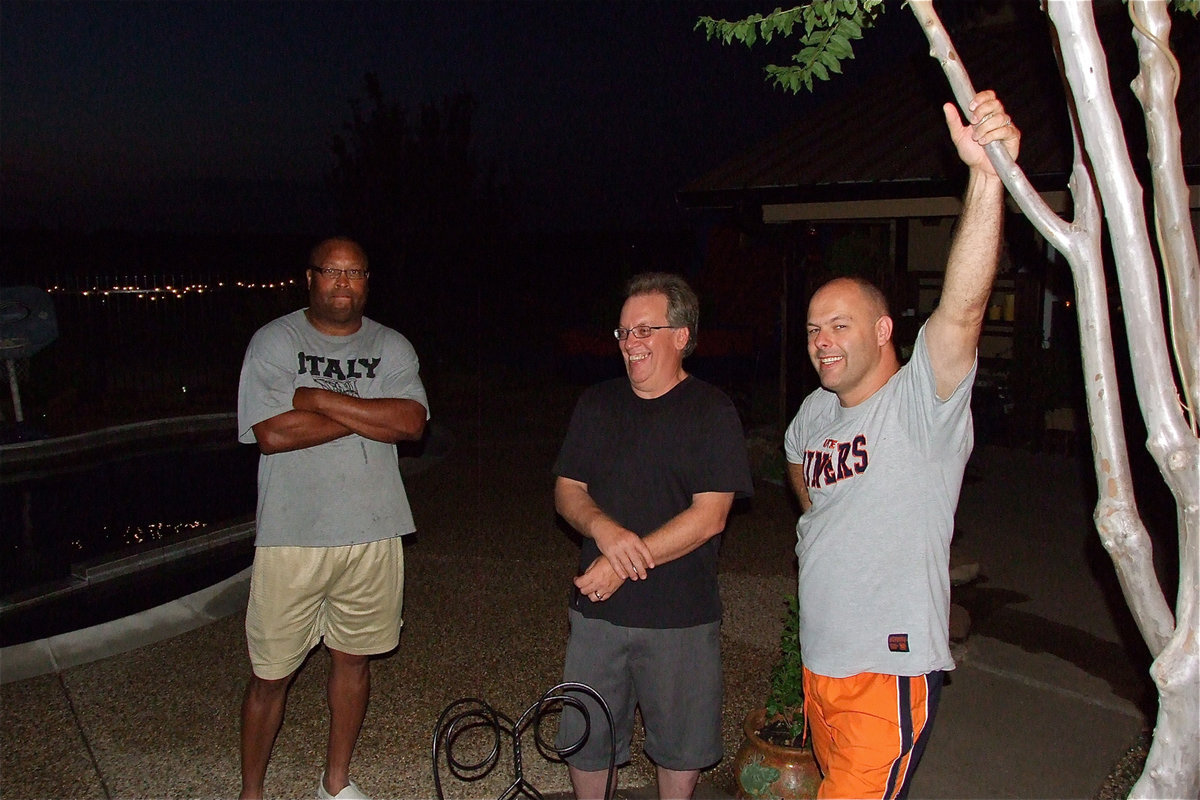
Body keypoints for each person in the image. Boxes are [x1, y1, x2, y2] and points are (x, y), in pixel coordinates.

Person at [783, 90, 1021, 799]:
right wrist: (821, 519)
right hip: (820, 668)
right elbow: (797, 461)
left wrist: (985, 178)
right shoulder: (815, 412)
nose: (822, 341)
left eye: (840, 326)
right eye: (813, 329)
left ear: (885, 331)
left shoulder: (922, 403)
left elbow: (963, 309)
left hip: (884, 675)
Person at [235, 237, 428, 800]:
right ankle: (251, 793)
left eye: (356, 273)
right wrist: (371, 414)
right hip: (291, 537)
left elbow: (412, 423)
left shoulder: (392, 345)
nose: (344, 283)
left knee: (354, 661)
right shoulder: (274, 341)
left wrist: (316, 399)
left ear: (368, 281)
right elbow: (272, 433)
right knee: (270, 675)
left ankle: (335, 784)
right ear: (310, 278)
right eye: (332, 272)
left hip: (374, 532)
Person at [552, 272, 754, 800]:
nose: (630, 343)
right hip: (597, 612)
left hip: (680, 614)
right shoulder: (597, 404)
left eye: (645, 330)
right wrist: (605, 530)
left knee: (680, 748)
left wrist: (618, 562)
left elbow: (710, 516)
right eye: (623, 332)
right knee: (587, 740)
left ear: (681, 335)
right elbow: (568, 490)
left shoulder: (712, 411)